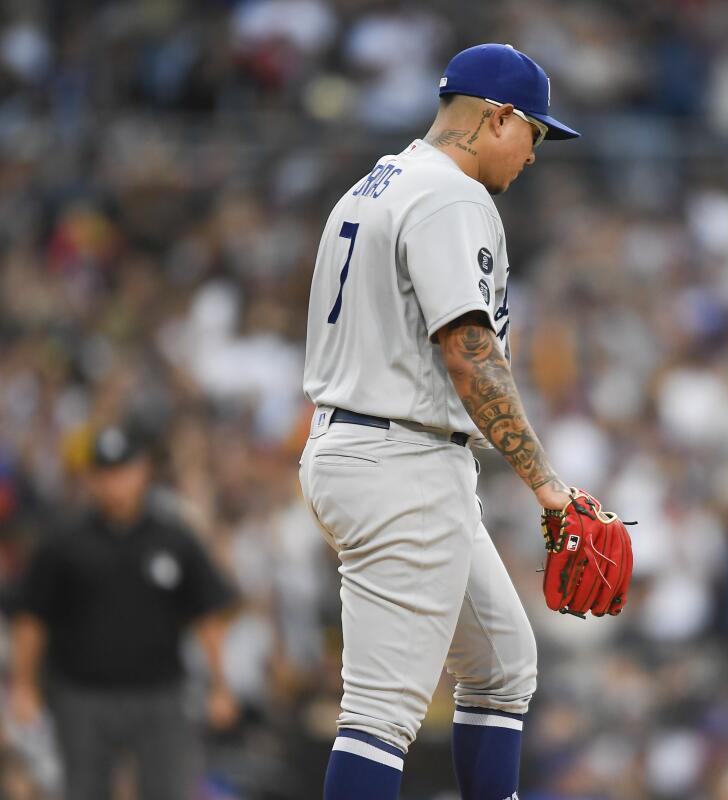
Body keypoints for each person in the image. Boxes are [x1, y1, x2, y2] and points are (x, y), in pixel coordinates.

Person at [299, 43, 609, 800]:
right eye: (533, 132)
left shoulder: (379, 181)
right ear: (495, 117)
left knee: (503, 666)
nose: (535, 153)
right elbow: (470, 353)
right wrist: (547, 486)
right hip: (398, 461)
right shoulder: (452, 195)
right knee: (381, 714)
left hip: (378, 450)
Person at [7, 425, 237, 800]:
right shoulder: (63, 540)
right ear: (92, 479)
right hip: (82, 694)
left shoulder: (173, 537)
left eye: (124, 470)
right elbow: (32, 615)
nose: (116, 482)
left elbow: (207, 612)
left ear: (143, 470)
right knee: (84, 789)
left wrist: (220, 684)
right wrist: (24, 685)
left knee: (167, 789)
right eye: (105, 472)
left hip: (159, 693)